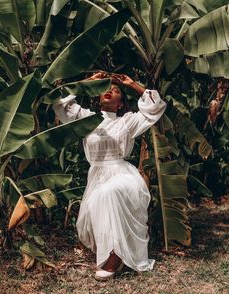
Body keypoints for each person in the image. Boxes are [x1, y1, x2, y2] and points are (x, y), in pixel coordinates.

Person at [53, 72, 166, 280]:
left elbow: (156, 106)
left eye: (115, 91)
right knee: (100, 202)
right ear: (97, 97)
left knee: (108, 193)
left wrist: (131, 84)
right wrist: (88, 83)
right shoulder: (86, 119)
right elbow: (60, 104)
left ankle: (114, 258)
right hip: (96, 175)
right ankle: (115, 253)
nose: (110, 91)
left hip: (122, 174)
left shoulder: (128, 122)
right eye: (106, 89)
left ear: (120, 104)